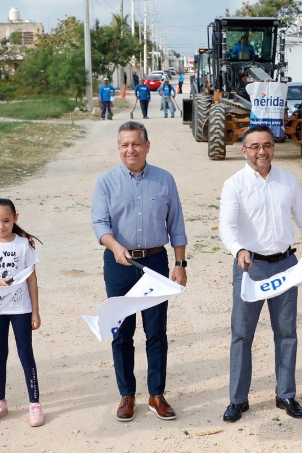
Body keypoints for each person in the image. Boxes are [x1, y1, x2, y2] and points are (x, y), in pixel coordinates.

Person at [218, 125, 302, 423]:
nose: (262, 151)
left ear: (274, 147)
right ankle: (238, 399)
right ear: (244, 151)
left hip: (286, 266)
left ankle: (285, 394)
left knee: (286, 333)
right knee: (242, 335)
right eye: (255, 146)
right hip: (251, 266)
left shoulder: (288, 180)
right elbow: (227, 227)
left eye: (267, 145)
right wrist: (238, 249)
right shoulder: (234, 184)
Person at [91, 121, 188, 423]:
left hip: (155, 263)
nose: (130, 150)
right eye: (124, 144)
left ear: (147, 146)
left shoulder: (164, 179)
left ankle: (157, 394)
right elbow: (100, 223)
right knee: (121, 332)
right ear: (118, 148)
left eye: (135, 144)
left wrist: (180, 264)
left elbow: (176, 224)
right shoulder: (106, 182)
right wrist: (114, 246)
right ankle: (127, 395)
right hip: (119, 264)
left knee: (156, 331)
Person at [0, 198, 44, 427]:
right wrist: (0, 283)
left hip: (21, 309)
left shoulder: (24, 245)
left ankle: (34, 404)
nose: (1, 226)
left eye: (6, 221)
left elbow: (32, 279)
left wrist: (35, 311)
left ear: (15, 218)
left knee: (25, 354)